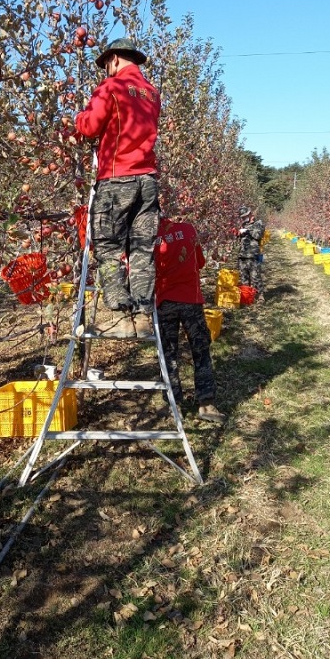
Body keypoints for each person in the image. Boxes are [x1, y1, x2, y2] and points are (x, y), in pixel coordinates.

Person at [75, 37, 160, 339]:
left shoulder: (111, 87)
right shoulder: (151, 93)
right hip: (147, 181)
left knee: (109, 250)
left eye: (106, 65)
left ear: (113, 59)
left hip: (117, 178)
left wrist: (79, 117)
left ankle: (122, 318)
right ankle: (143, 317)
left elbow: (89, 127)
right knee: (141, 251)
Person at [155, 215, 225, 423]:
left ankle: (173, 405)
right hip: (191, 301)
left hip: (164, 302)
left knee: (169, 354)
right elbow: (200, 262)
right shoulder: (187, 230)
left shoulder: (148, 238)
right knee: (200, 350)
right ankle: (206, 403)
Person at [237, 206, 265, 302]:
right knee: (244, 277)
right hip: (242, 255)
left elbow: (258, 235)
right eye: (242, 217)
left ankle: (260, 296)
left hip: (254, 255)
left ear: (250, 214)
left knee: (256, 277)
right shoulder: (243, 225)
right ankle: (247, 297)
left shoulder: (258, 223)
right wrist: (238, 233)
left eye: (245, 216)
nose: (244, 218)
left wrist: (247, 230)